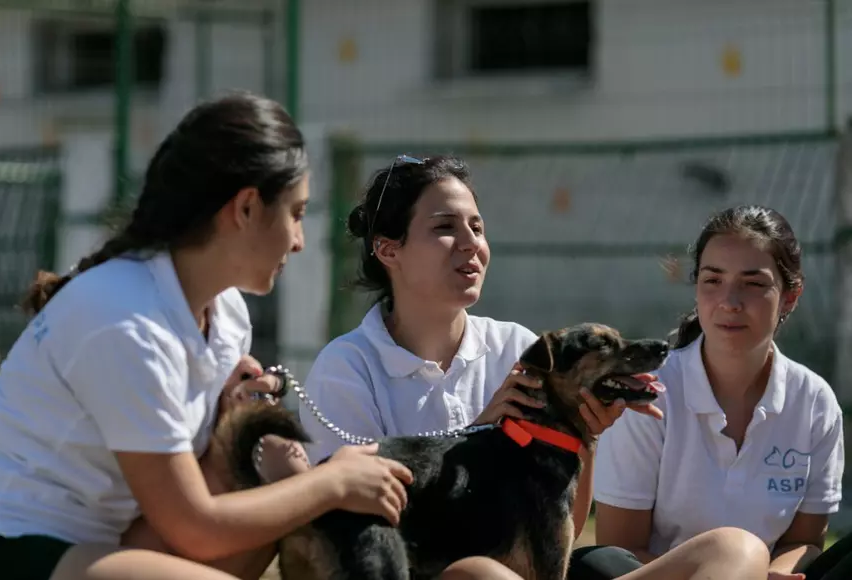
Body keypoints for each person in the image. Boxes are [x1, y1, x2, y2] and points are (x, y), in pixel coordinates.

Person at [0, 92, 506, 580]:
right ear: (247, 208)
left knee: (269, 485)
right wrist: (333, 481)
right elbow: (194, 524)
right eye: (297, 214)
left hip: (116, 538)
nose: (300, 241)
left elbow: (224, 484)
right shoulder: (124, 318)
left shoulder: (226, 311)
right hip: (19, 545)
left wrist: (250, 435)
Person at [297, 154, 776, 580]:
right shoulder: (347, 368)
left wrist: (581, 437)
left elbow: (560, 527)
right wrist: (477, 435)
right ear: (389, 250)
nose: (471, 244)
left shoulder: (519, 348)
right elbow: (350, 521)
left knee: (734, 548)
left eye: (478, 228)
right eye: (445, 228)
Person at [593, 205, 850, 580]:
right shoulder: (650, 392)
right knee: (728, 549)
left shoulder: (815, 402)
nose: (730, 301)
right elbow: (620, 550)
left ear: (791, 296)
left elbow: (805, 542)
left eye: (753, 283)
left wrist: (774, 574)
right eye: (713, 280)